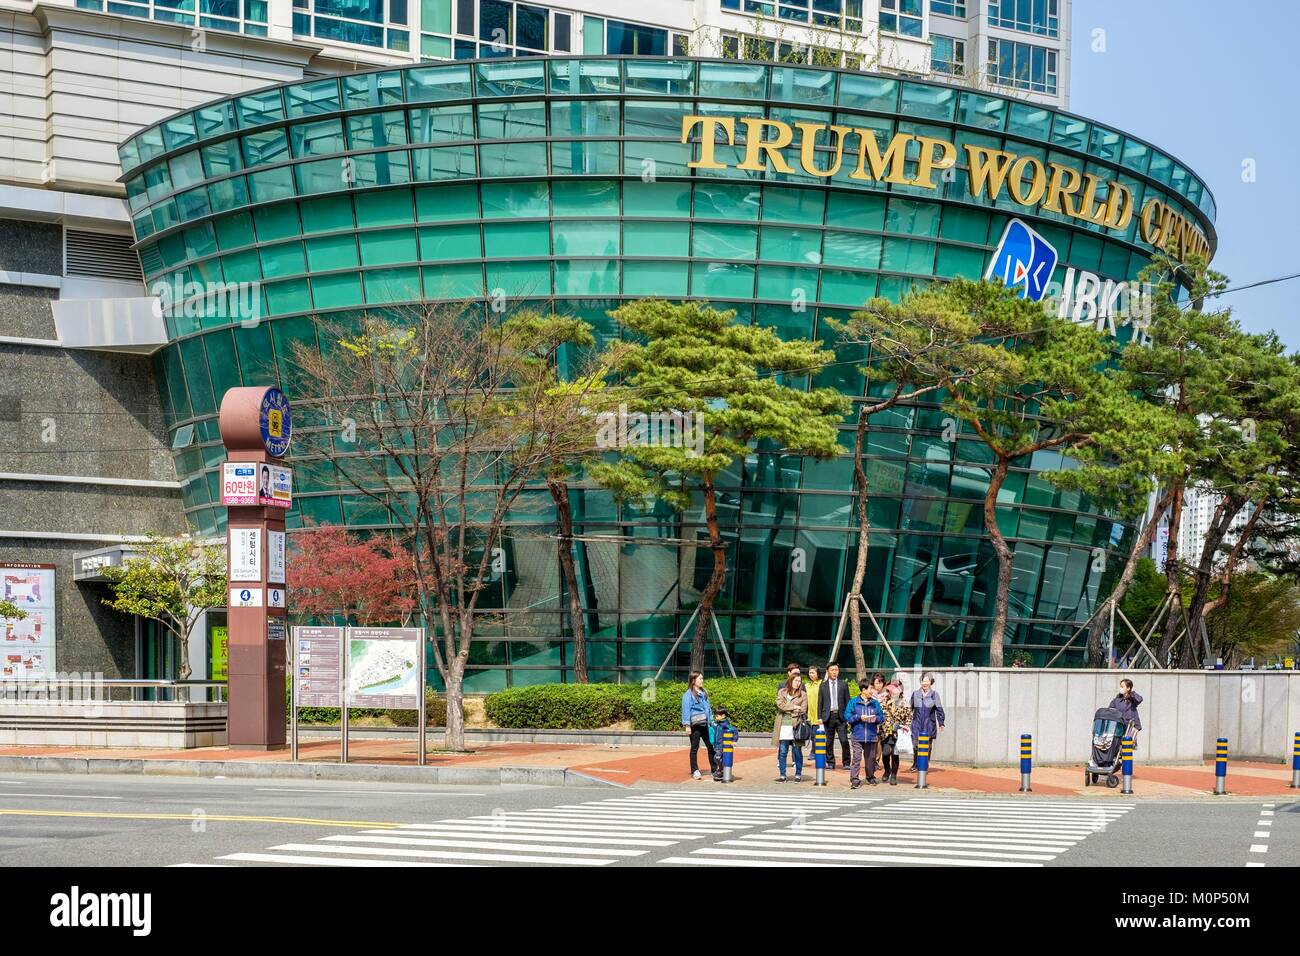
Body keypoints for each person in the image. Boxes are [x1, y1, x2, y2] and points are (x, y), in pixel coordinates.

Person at [845, 681, 885, 788]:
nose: (872, 691)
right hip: (857, 735)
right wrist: (859, 717)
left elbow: (882, 717)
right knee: (857, 757)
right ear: (863, 690)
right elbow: (847, 716)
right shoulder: (853, 702)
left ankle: (870, 777)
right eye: (870, 689)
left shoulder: (875, 703)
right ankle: (854, 779)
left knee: (870, 758)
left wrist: (876, 719)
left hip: (871, 736)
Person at [680, 672, 718, 780]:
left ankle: (714, 769)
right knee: (694, 748)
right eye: (700, 679)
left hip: (706, 725)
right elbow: (686, 711)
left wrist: (711, 721)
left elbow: (708, 709)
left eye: (702, 678)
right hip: (695, 726)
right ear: (693, 680)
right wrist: (687, 725)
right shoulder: (688, 695)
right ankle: (695, 770)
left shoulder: (704, 692)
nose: (702, 680)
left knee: (711, 746)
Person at [772, 673, 808, 782]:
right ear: (790, 681)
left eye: (799, 681)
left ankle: (798, 774)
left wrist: (789, 710)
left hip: (796, 726)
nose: (798, 683)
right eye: (796, 680)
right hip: (783, 725)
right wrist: (794, 707)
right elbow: (780, 706)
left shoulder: (803, 694)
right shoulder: (782, 692)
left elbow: (803, 709)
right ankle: (783, 775)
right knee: (783, 751)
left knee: (797, 751)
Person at [908, 672, 945, 772]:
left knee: (927, 746)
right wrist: (906, 722)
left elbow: (939, 709)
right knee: (915, 745)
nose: (925, 683)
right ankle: (915, 764)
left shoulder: (934, 695)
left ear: (931, 682)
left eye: (927, 681)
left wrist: (941, 722)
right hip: (916, 723)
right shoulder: (915, 694)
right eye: (923, 681)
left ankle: (924, 765)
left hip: (929, 724)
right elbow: (909, 709)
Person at [818, 663, 853, 770]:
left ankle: (846, 762)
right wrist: (819, 717)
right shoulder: (823, 685)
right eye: (832, 670)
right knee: (829, 741)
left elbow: (848, 701)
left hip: (841, 717)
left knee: (844, 740)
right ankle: (831, 762)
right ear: (828, 671)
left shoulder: (843, 684)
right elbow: (820, 703)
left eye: (836, 670)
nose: (834, 672)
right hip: (828, 717)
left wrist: (849, 716)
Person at [878, 680, 913, 785]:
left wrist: (906, 725)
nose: (891, 693)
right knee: (885, 753)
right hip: (885, 732)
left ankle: (893, 775)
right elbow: (879, 714)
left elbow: (909, 716)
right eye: (890, 690)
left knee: (894, 754)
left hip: (898, 733)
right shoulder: (884, 701)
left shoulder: (904, 702)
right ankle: (887, 770)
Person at [1109, 678, 1143, 744]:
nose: (1120, 688)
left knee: (1127, 746)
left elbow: (1139, 699)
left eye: (1122, 686)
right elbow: (1110, 709)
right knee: (1119, 745)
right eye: (1120, 686)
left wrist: (1133, 692)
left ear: (1128, 688)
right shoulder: (1117, 700)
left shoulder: (1133, 699)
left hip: (1131, 726)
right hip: (1119, 725)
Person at [710, 707, 737, 781]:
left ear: (723, 716)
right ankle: (721, 770)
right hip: (717, 745)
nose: (716, 717)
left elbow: (734, 730)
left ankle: (721, 770)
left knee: (717, 758)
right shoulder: (717, 724)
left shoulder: (725, 725)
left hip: (723, 746)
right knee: (717, 758)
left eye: (717, 716)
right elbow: (712, 726)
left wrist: (734, 740)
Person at [804, 665, 822, 742]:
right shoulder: (806, 685)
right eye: (810, 673)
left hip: (818, 716)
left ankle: (815, 753)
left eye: (813, 673)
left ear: (818, 673)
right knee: (810, 736)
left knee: (816, 736)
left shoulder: (822, 684)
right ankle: (813, 752)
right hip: (809, 716)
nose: (811, 675)